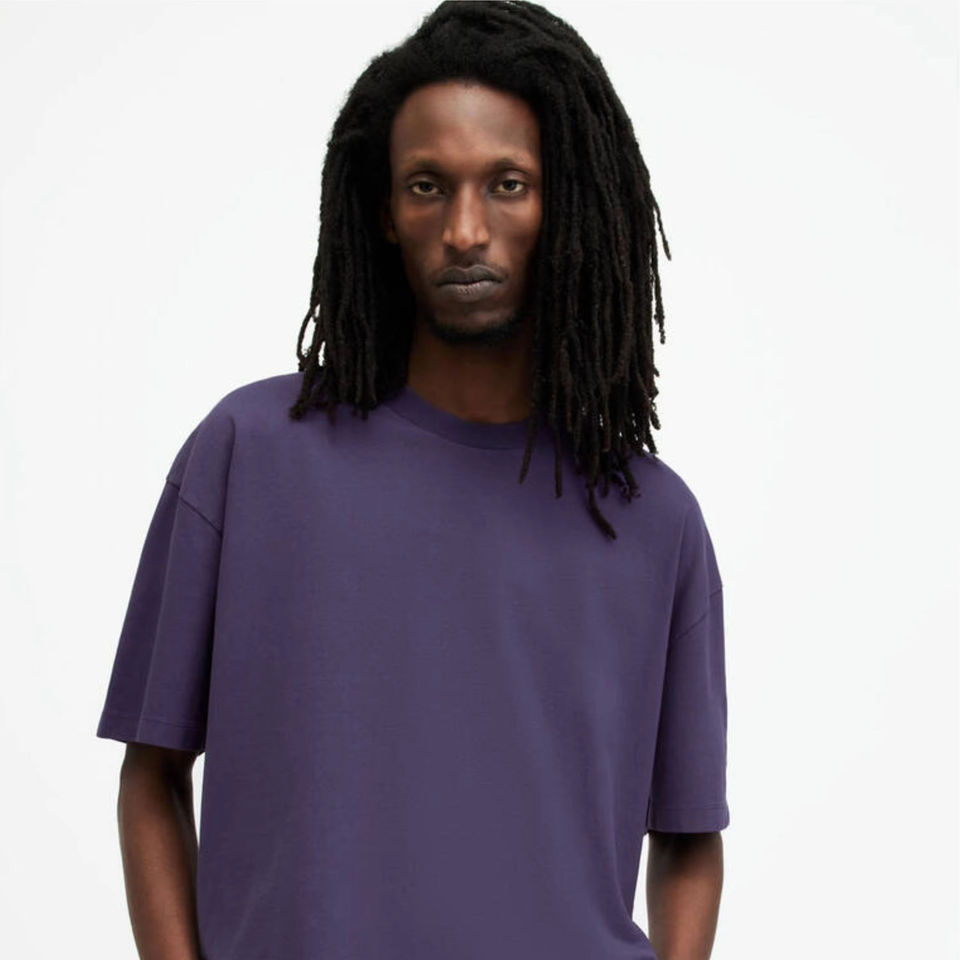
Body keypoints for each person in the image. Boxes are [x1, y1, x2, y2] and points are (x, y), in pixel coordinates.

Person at [95, 2, 730, 959]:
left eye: (508, 184)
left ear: (564, 204)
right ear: (385, 214)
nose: (465, 230)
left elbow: (687, 836)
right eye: (428, 186)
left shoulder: (652, 520)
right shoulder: (248, 454)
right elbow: (152, 776)